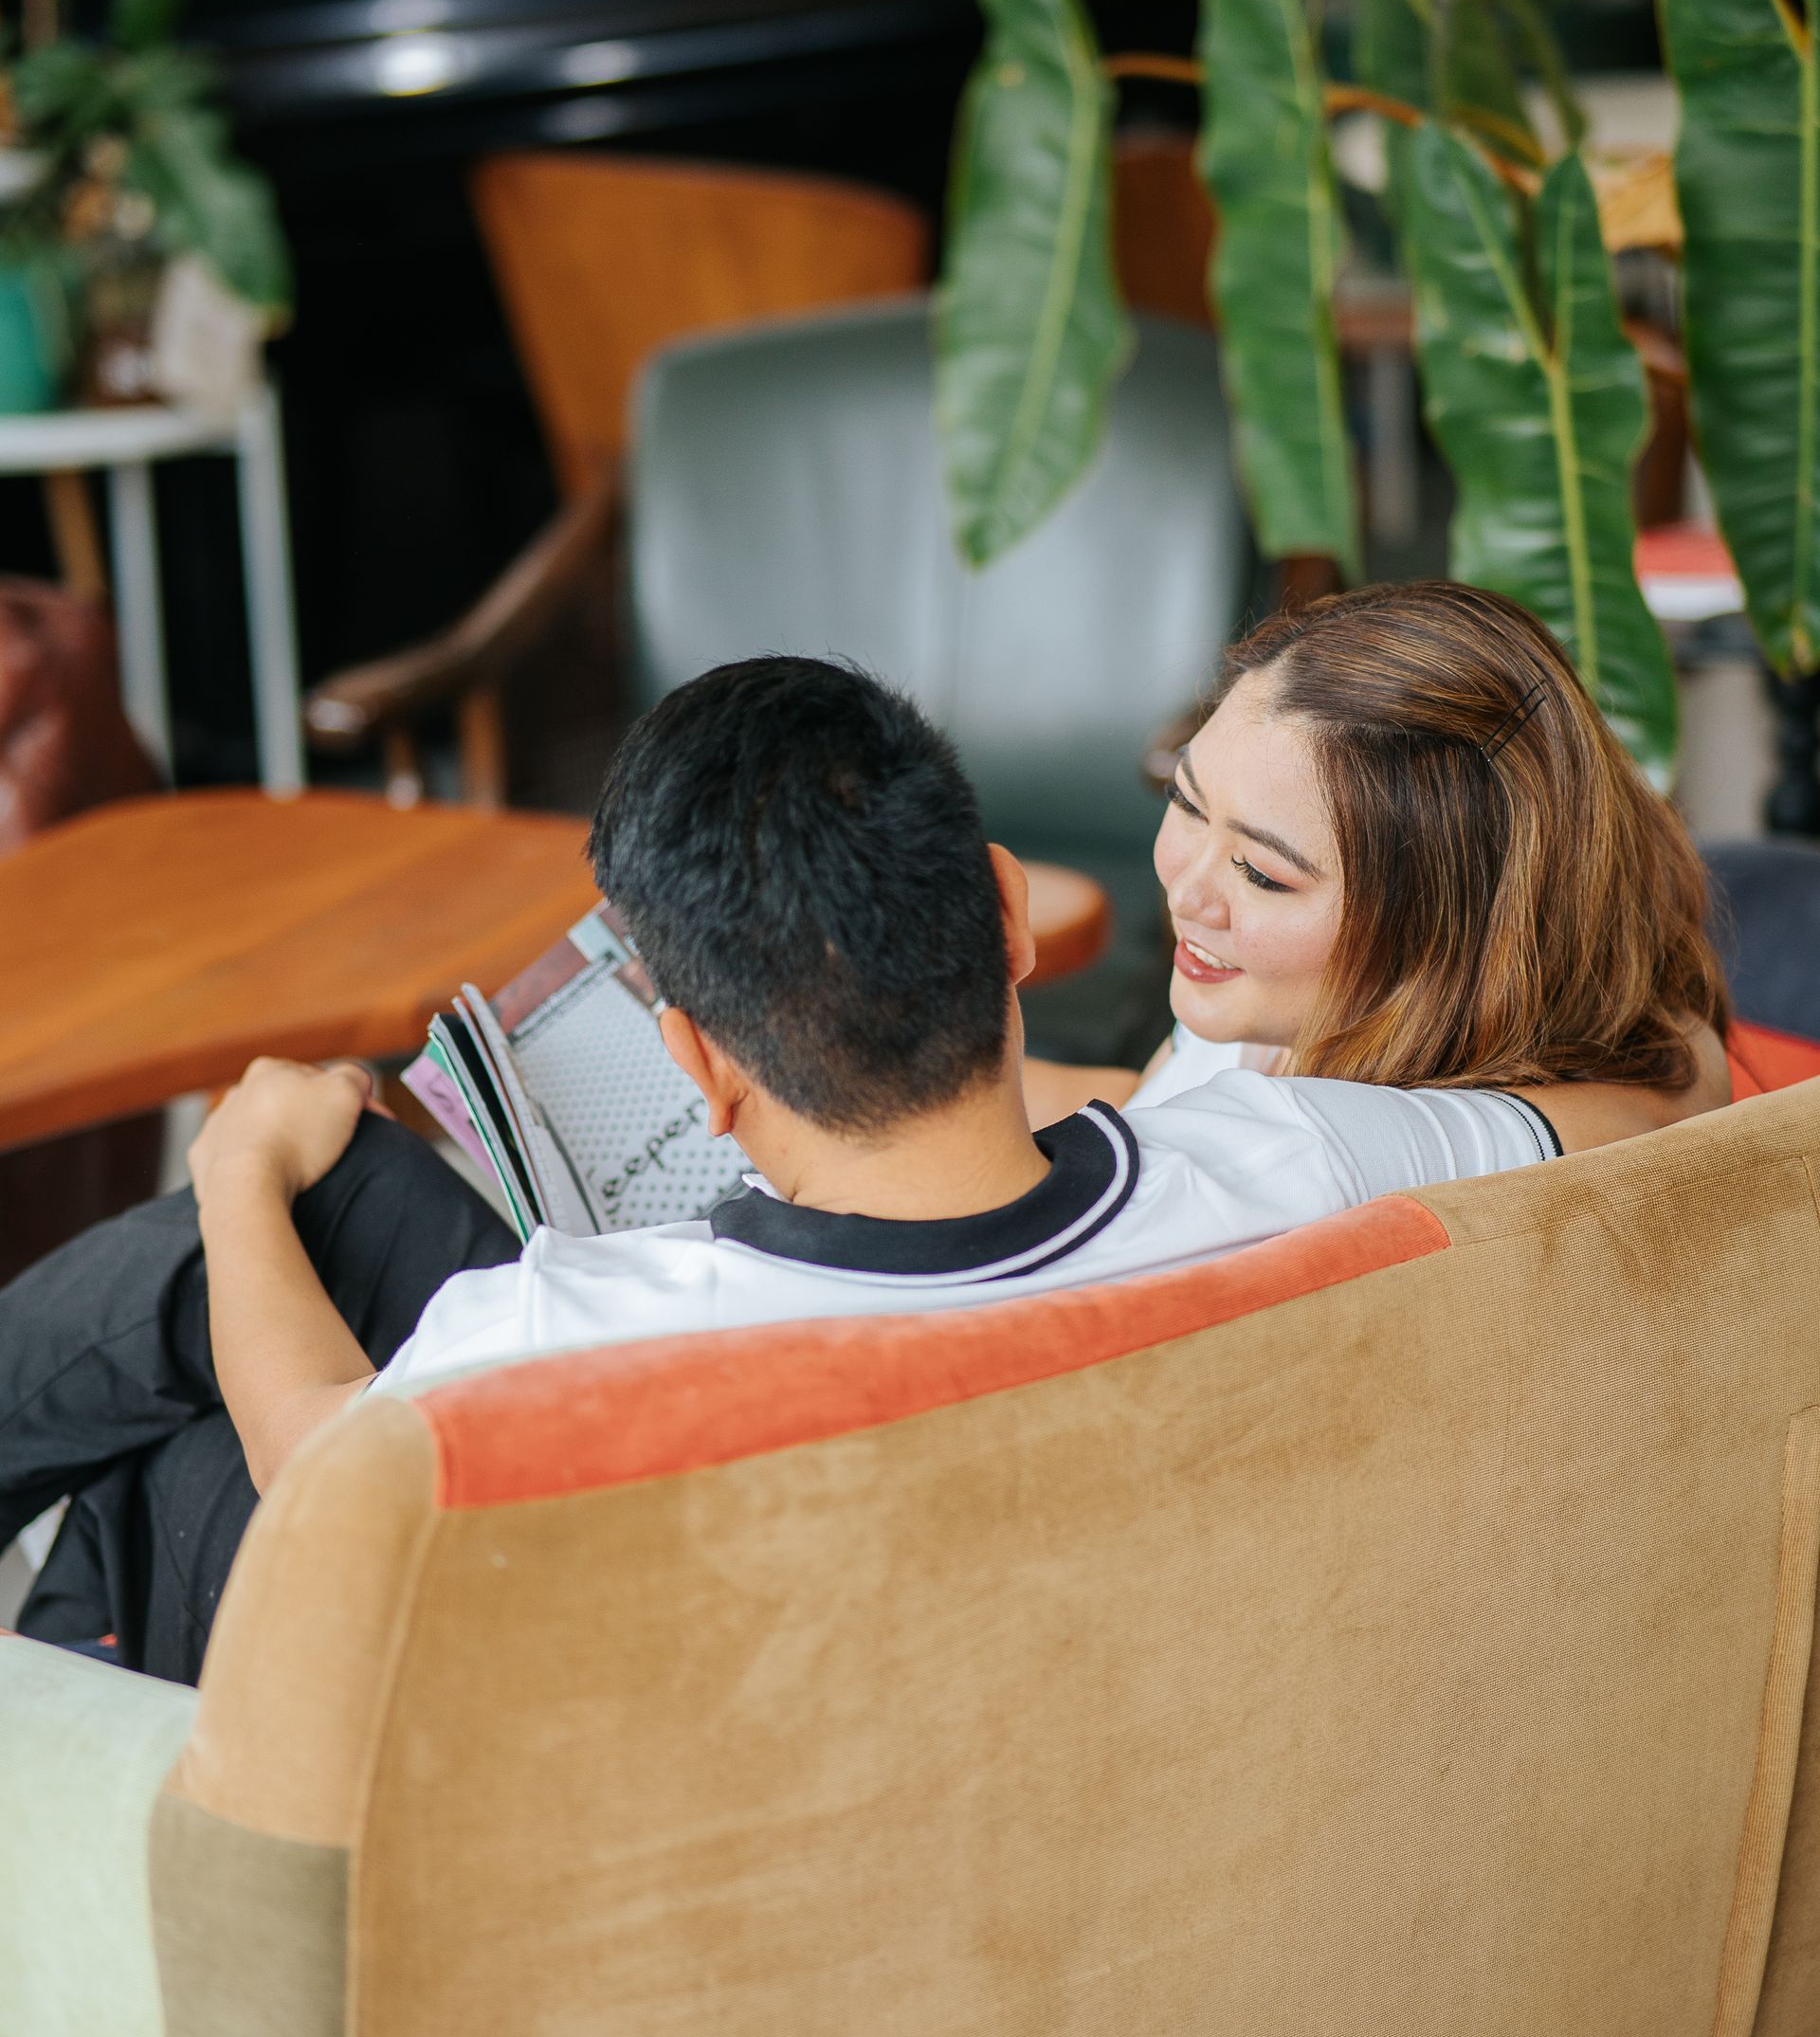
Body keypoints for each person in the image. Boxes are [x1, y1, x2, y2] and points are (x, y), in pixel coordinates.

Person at [0, 623, 1726, 1682]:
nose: (1194, 880)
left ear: (696, 1064)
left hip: (641, 1577)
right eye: (1184, 801)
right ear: (1009, 919)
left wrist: (233, 1170)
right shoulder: (1316, 1157)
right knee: (251, 1326)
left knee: (216, 1357)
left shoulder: (583, 1325)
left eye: (1264, 870)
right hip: (994, 1304)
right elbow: (1669, 1107)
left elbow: (322, 1474)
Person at [1024, 580, 1733, 1135]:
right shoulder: (1287, 1005)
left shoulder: (1323, 1155)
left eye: (1263, 875)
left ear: (1449, 927)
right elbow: (1151, 1102)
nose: (1187, 896)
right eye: (1186, 802)